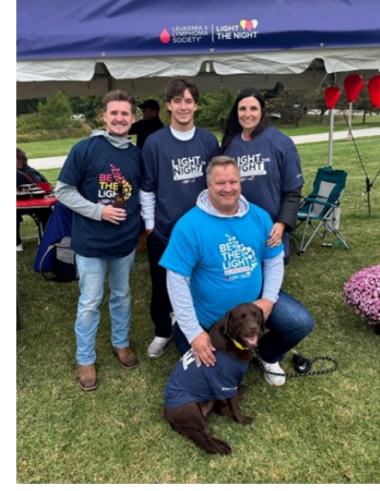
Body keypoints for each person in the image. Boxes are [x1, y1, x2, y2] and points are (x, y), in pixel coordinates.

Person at [160, 156, 314, 387]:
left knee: (300, 322)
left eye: (233, 181)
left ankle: (266, 353)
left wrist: (269, 299)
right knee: (214, 369)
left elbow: (273, 260)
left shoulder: (259, 217)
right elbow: (177, 280)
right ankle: (182, 331)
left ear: (240, 182)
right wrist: (193, 333)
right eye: (220, 183)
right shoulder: (189, 226)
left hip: (254, 307)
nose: (228, 188)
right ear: (208, 184)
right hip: (212, 318)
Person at [54, 90, 142, 392]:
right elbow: (63, 191)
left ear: (132, 118)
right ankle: (85, 359)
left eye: (125, 113)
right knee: (90, 302)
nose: (119, 118)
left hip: (124, 243)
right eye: (114, 113)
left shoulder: (135, 155)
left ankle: (121, 343)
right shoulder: (85, 149)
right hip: (90, 243)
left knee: (122, 295)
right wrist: (98, 211)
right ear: (103, 116)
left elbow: (135, 193)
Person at [140, 77, 220, 358]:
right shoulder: (154, 142)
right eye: (177, 101)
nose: (183, 107)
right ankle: (162, 331)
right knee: (161, 285)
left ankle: (196, 330)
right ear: (168, 105)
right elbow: (147, 187)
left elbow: (217, 184)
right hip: (164, 232)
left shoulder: (209, 141)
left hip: (202, 230)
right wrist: (150, 227)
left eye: (188, 101)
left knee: (201, 283)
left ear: (196, 105)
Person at [221, 88, 304, 263]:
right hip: (237, 231)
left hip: (271, 231)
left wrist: (282, 224)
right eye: (242, 109)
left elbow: (293, 191)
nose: (247, 114)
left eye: (253, 108)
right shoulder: (230, 145)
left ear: (262, 112)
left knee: (270, 287)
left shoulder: (282, 143)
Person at [16, 147, 52, 251]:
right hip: (17, 205)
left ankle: (46, 238)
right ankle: (16, 242)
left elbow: (47, 186)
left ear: (20, 159)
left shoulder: (31, 172)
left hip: (36, 203)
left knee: (47, 211)